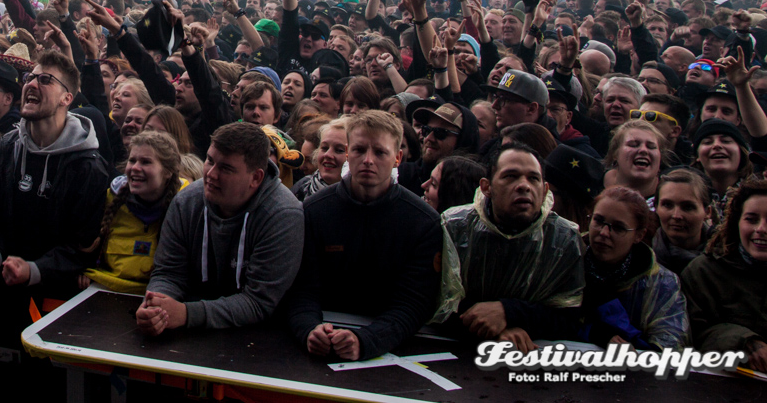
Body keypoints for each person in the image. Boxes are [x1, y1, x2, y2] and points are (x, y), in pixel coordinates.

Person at [286, 110, 443, 361]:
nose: (368, 160)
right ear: (349, 153)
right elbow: (302, 289)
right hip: (322, 332)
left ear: (397, 158)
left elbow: (414, 303)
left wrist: (367, 340)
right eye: (359, 150)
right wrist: (308, 329)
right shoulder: (314, 211)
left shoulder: (423, 223)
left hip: (393, 350)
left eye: (380, 152)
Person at [137, 121, 303, 334]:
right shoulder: (186, 202)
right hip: (187, 330)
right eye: (209, 161)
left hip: (259, 341)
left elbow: (259, 302)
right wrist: (157, 305)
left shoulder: (282, 216)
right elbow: (169, 273)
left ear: (256, 178)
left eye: (226, 168)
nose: (210, 174)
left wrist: (186, 314)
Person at [0, 50, 110, 299]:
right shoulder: (6, 147)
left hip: (54, 300)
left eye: (45, 80)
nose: (32, 84)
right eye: (30, 78)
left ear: (66, 98)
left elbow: (81, 246)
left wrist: (34, 270)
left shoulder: (88, 167)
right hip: (0, 290)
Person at [435, 143, 584, 352]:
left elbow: (569, 316)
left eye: (533, 178)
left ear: (545, 189)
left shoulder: (563, 239)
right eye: (510, 176)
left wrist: (509, 313)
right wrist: (491, 328)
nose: (524, 185)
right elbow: (433, 300)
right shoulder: (455, 227)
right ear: (487, 187)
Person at [579, 187, 688, 350]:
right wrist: (594, 332)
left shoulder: (662, 283)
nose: (604, 233)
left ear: (639, 235)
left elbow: (670, 343)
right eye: (598, 221)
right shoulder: (567, 260)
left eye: (618, 228)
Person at [681, 178, 767, 372]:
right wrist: (745, 343)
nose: (761, 229)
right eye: (751, 219)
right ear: (736, 222)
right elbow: (692, 334)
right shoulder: (703, 273)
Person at [84, 131, 186, 294]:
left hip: (159, 298)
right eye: (132, 161)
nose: (136, 168)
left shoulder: (185, 208)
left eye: (146, 162)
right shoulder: (109, 200)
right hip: (105, 291)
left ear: (168, 172)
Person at [652, 168, 711, 275]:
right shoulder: (641, 260)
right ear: (656, 208)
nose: (676, 216)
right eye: (667, 205)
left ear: (707, 212)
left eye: (688, 207)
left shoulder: (726, 259)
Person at [602, 119, 666, 208]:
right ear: (615, 154)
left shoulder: (670, 198)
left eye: (651, 147)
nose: (643, 150)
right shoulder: (591, 187)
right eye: (633, 145)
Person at [293, 117, 346, 201]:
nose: (328, 154)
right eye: (324, 148)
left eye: (339, 150)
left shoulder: (365, 197)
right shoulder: (301, 188)